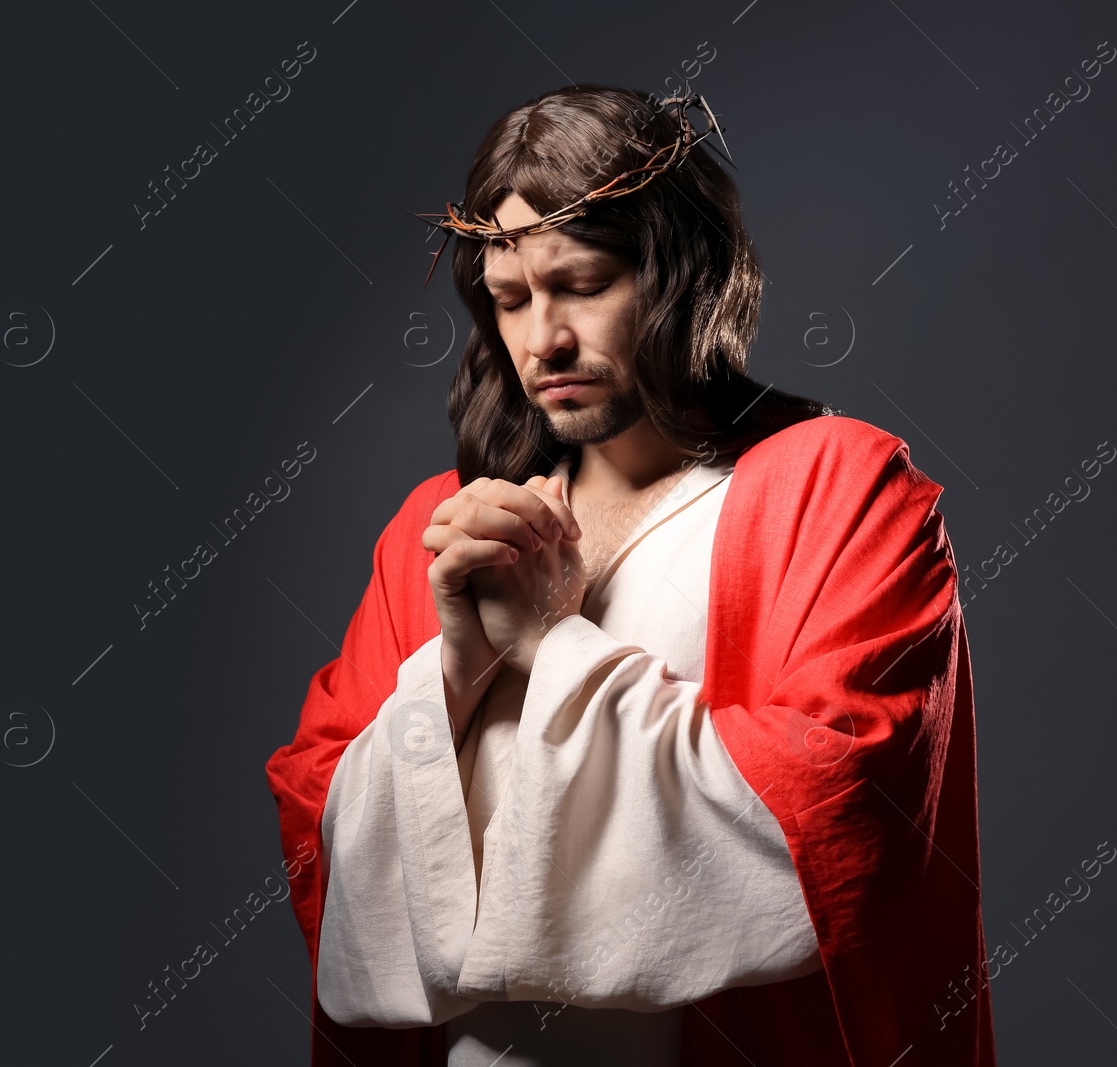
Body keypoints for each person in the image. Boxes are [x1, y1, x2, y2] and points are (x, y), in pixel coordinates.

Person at [265, 85, 996, 1066]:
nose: (541, 340)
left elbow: (846, 793)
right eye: (510, 297)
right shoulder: (439, 529)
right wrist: (456, 668)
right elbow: (318, 810)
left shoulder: (835, 484)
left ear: (681, 273)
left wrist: (551, 641)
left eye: (582, 283)